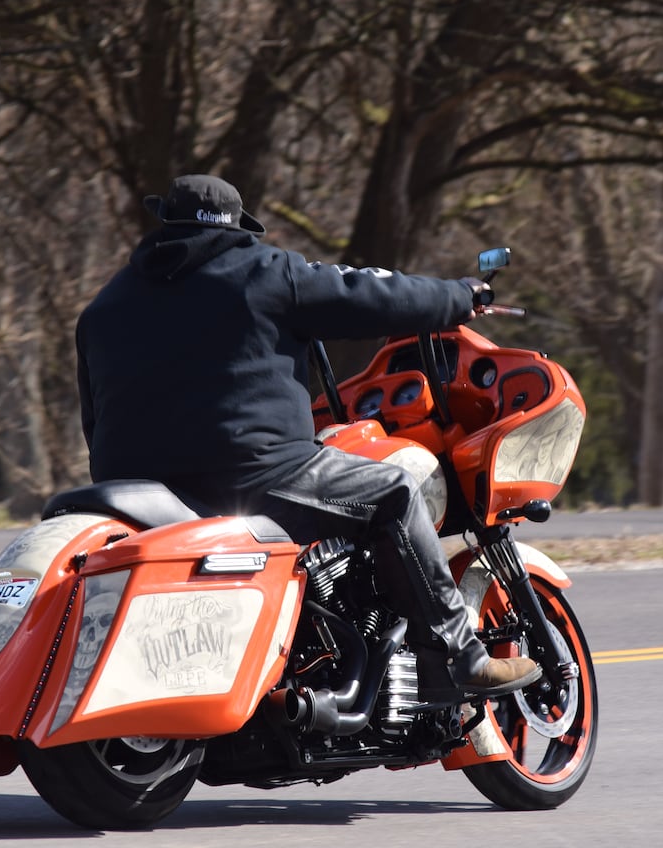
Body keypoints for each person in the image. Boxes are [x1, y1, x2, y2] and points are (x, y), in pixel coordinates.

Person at [75, 174, 540, 701]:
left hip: (136, 494)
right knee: (395, 493)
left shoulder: (105, 306)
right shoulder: (264, 271)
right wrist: (460, 296)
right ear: (235, 227)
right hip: (253, 474)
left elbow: (94, 420)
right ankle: (458, 658)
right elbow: (370, 292)